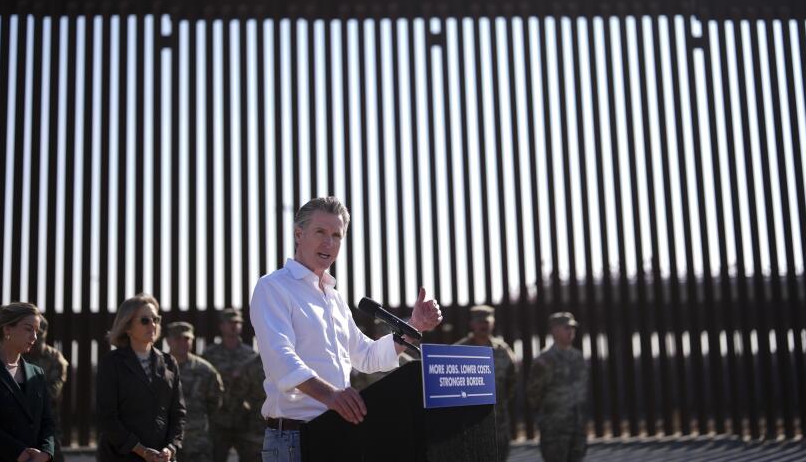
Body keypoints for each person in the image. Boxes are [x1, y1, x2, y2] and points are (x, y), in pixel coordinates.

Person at [250, 196, 443, 462]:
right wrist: (331, 395)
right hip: (294, 441)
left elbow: (366, 356)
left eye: (337, 235)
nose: (329, 242)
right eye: (320, 232)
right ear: (299, 234)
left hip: (337, 431)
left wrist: (414, 326)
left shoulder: (334, 298)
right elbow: (280, 359)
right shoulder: (273, 287)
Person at [96, 294, 186, 462]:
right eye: (145, 320)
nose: (152, 325)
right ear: (127, 326)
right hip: (121, 457)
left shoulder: (169, 362)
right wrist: (140, 450)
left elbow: (178, 413)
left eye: (156, 319)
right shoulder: (111, 363)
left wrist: (171, 448)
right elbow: (107, 417)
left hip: (162, 458)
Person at [454, 305, 518, 461]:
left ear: (493, 323)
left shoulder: (503, 350)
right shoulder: (458, 351)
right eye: (479, 321)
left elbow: (512, 381)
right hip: (468, 426)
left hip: (498, 423)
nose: (483, 325)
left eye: (487, 321)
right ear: (472, 324)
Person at [527, 312, 589, 462]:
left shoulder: (578, 357)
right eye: (566, 328)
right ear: (554, 331)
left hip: (577, 428)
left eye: (573, 328)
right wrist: (549, 416)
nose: (571, 332)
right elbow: (533, 394)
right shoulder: (544, 360)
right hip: (554, 431)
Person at [201, 307, 259, 462]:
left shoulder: (250, 355)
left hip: (244, 421)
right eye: (229, 322)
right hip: (219, 421)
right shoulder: (209, 354)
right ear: (221, 326)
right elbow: (203, 387)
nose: (234, 326)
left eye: (237, 322)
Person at [0, 302, 54, 462]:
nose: (34, 337)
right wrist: (17, 451)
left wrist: (46, 452)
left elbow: (47, 421)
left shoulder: (37, 373)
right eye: (29, 329)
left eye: (37, 331)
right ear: (7, 329)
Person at [164, 322, 223, 462]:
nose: (183, 343)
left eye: (187, 339)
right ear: (168, 341)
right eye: (178, 338)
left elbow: (215, 403)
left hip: (197, 442)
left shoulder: (205, 370)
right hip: (165, 443)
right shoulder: (158, 369)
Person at [24, 315, 68, 462]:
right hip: (21, 423)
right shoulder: (19, 356)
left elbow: (52, 393)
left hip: (48, 424)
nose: (35, 338)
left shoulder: (55, 358)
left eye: (39, 332)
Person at [227, 353, 268, 455]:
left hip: (286, 429)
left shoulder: (290, 362)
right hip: (256, 431)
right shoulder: (250, 365)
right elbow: (237, 397)